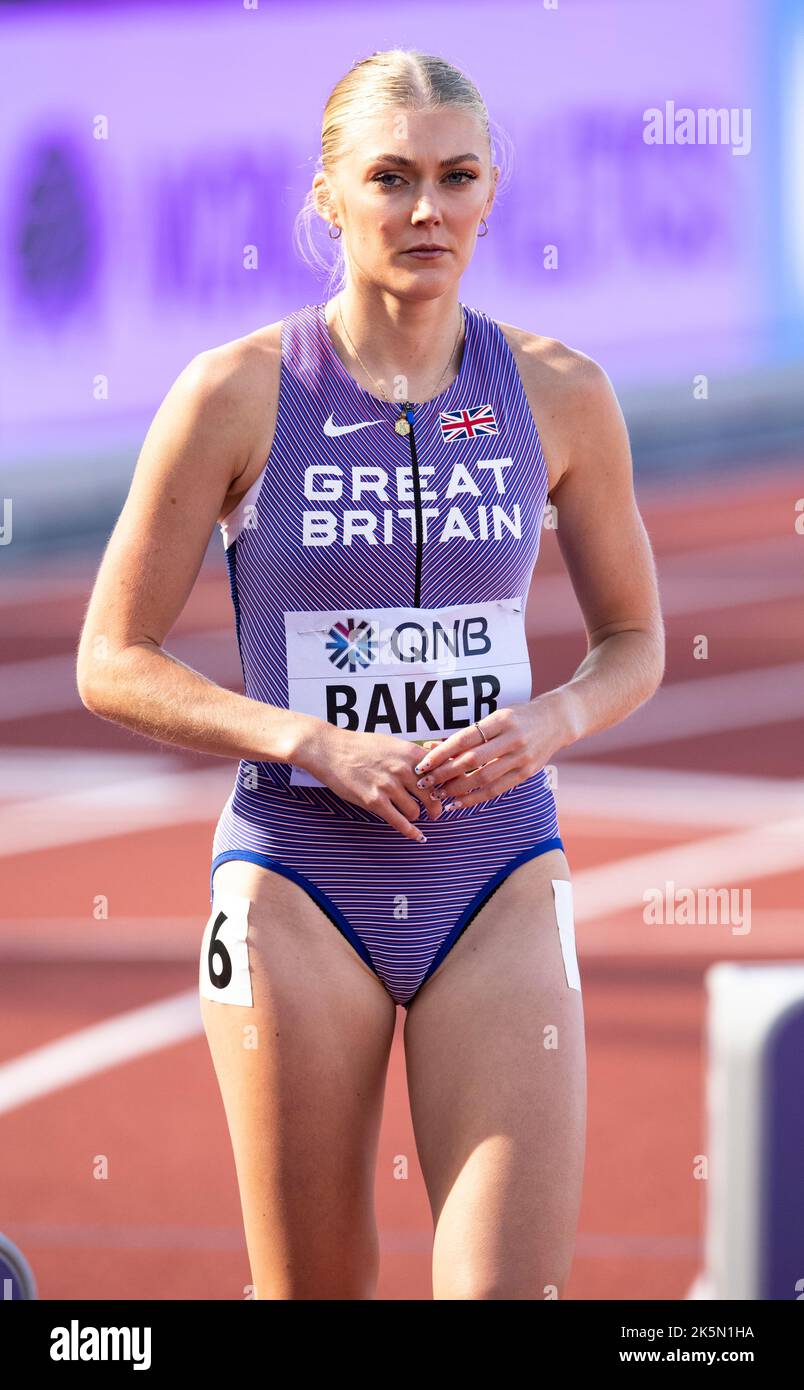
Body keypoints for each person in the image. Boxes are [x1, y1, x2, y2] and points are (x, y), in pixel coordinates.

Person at [76, 48, 664, 1300]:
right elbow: (109, 659)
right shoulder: (236, 394)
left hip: (496, 868)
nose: (424, 210)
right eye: (389, 179)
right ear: (329, 199)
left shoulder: (560, 393)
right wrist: (309, 742)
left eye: (456, 177)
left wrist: (551, 719)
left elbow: (637, 641)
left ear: (493, 194)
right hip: (298, 877)